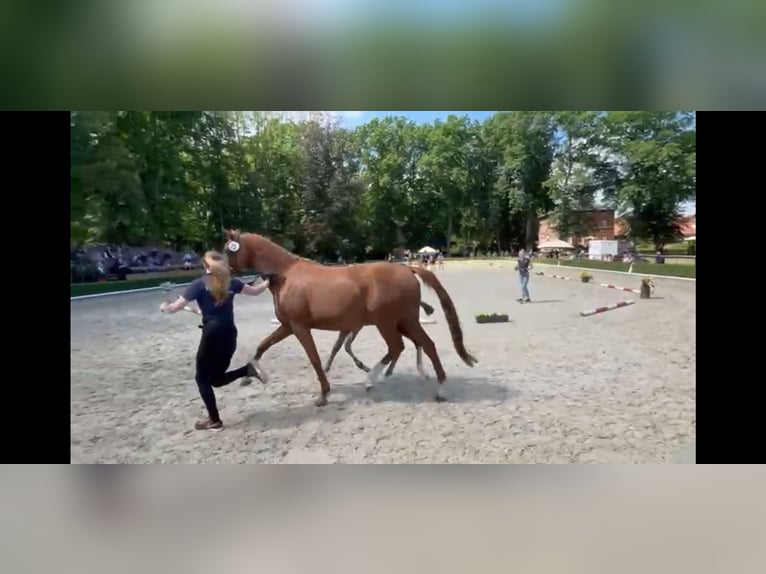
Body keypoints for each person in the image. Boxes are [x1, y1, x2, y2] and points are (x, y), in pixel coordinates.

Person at [160, 250, 270, 431]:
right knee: (216, 379)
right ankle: (247, 370)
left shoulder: (198, 285)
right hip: (229, 334)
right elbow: (257, 291)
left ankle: (214, 421)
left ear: (206, 266)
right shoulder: (232, 283)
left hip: (212, 334)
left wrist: (165, 306)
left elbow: (173, 308)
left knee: (201, 377)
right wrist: (266, 282)